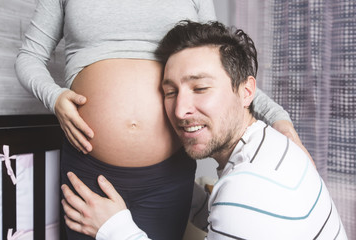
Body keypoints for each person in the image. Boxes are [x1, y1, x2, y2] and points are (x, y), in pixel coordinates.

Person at [15, 1, 305, 239]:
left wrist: (278, 118)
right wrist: (54, 98)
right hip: (90, 166)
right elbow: (28, 56)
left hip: (166, 176)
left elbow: (222, 66)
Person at [61, 21, 347, 239]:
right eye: (170, 91)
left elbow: (242, 205)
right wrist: (180, 190)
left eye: (200, 88)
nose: (180, 109)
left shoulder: (248, 189)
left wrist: (114, 228)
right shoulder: (273, 147)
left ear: (247, 92)